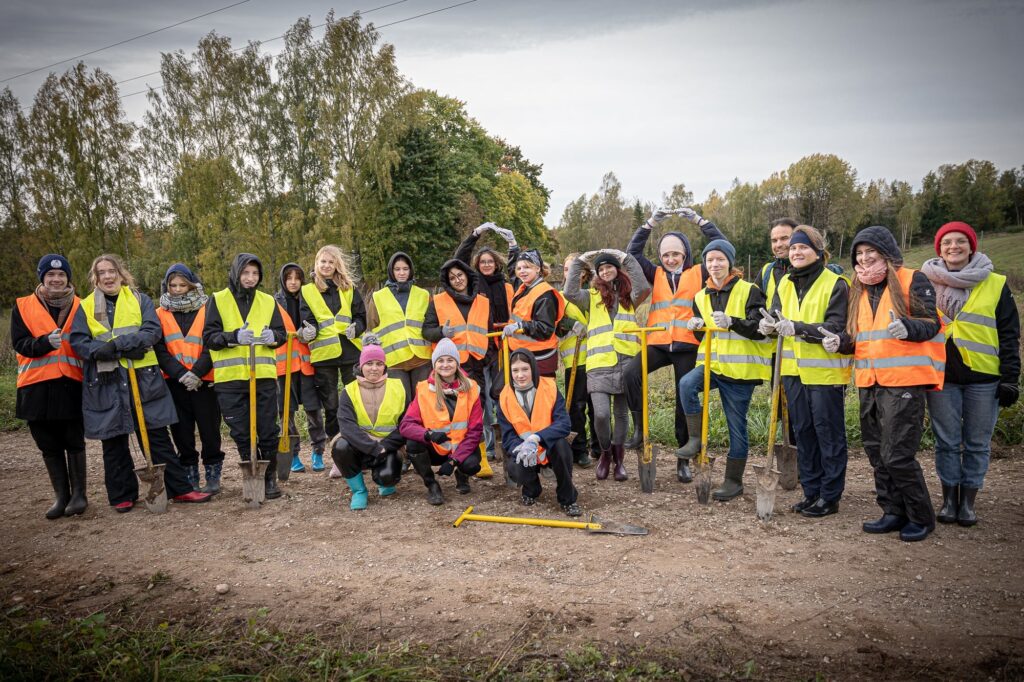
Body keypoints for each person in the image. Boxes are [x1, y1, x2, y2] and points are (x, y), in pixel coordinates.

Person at [69, 254, 211, 512]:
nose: (108, 276)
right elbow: (79, 342)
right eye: (102, 273)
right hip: (107, 382)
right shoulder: (86, 306)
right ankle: (122, 494)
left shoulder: (139, 300)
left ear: (121, 274)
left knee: (157, 436)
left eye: (112, 271)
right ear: (95, 278)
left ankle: (179, 488)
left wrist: (118, 345)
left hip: (143, 379)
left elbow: (151, 331)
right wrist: (111, 350)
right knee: (113, 440)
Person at [835, 226, 944, 542]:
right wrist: (840, 342)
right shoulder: (858, 288)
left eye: (871, 251)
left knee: (897, 454)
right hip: (869, 381)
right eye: (859, 253)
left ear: (886, 253)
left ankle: (920, 517)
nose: (864, 258)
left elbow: (931, 324)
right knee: (876, 453)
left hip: (904, 382)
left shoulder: (913, 279)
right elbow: (860, 338)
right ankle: (893, 511)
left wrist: (908, 327)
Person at [921, 221, 1020, 526]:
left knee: (977, 443)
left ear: (971, 246)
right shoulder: (925, 281)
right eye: (947, 242)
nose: (954, 247)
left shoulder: (995, 283)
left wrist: (1010, 378)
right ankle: (949, 500)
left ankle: (968, 502)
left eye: (960, 241)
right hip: (942, 376)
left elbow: (1009, 333)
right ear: (939, 249)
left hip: (984, 377)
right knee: (946, 441)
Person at [624, 207, 726, 483]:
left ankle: (683, 459)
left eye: (676, 254)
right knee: (630, 374)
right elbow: (632, 254)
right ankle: (639, 429)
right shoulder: (654, 273)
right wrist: (649, 224)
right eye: (666, 255)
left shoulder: (699, 272)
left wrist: (700, 221)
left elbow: (721, 246)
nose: (670, 259)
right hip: (658, 342)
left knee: (684, 398)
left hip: (687, 344)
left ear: (685, 254)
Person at [762, 226, 851, 518]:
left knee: (828, 434)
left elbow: (836, 326)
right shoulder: (785, 283)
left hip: (825, 373)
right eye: (793, 248)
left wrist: (798, 328)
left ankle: (830, 496)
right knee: (803, 433)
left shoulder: (836, 284)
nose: (796, 252)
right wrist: (767, 325)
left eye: (803, 247)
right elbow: (775, 314)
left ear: (818, 251)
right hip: (792, 370)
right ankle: (811, 492)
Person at [677, 240, 771, 500]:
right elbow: (704, 337)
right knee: (686, 384)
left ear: (730, 262)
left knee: (736, 427)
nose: (715, 264)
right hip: (712, 365)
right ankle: (695, 438)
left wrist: (733, 322)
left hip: (741, 372)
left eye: (720, 259)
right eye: (710, 260)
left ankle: (733, 481)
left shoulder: (749, 290)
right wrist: (697, 327)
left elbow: (761, 329)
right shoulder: (700, 296)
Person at [203, 253, 287, 500]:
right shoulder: (218, 299)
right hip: (230, 379)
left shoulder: (268, 301)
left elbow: (281, 333)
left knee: (268, 430)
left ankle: (269, 476)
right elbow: (209, 337)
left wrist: (274, 338)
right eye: (245, 273)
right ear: (236, 273)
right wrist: (232, 337)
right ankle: (251, 472)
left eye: (255, 273)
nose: (250, 278)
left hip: (262, 377)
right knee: (241, 432)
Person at [11, 254, 88, 518]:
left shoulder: (81, 306)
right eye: (51, 275)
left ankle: (79, 495)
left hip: (70, 384)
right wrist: (43, 343)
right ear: (42, 277)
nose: (56, 279)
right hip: (35, 387)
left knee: (74, 441)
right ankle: (61, 496)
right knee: (48, 444)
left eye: (61, 275)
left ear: (68, 278)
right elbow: (19, 343)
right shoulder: (23, 306)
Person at [563, 249, 650, 481]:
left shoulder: (630, 295)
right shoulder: (590, 297)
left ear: (617, 269)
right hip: (599, 364)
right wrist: (580, 261)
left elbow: (644, 285)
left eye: (609, 266)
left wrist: (626, 258)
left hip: (625, 361)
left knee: (620, 414)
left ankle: (619, 460)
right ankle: (605, 454)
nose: (605, 271)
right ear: (597, 273)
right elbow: (569, 291)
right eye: (601, 268)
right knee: (601, 414)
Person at [154, 263, 226, 494]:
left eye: (182, 285)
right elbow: (159, 349)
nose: (177, 289)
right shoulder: (159, 313)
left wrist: (196, 373)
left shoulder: (208, 308)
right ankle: (190, 475)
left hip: (204, 381)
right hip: (175, 383)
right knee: (182, 432)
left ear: (191, 285)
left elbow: (211, 344)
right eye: (172, 285)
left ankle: (213, 474)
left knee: (210, 431)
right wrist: (180, 374)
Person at [453, 223, 519, 469]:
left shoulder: (507, 286)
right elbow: (458, 260)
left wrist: (513, 245)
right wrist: (475, 235)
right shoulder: (473, 284)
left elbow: (518, 270)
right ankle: (487, 447)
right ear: (477, 265)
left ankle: (507, 441)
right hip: (480, 349)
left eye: (490, 261)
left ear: (497, 264)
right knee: (483, 398)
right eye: (483, 262)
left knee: (502, 395)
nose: (487, 265)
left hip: (504, 347)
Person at [299, 245, 366, 471]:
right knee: (332, 406)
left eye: (331, 262)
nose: (326, 266)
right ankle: (339, 454)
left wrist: (357, 327)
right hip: (324, 355)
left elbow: (360, 316)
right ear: (316, 264)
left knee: (356, 401)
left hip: (350, 350)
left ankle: (360, 448)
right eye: (323, 262)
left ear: (337, 265)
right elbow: (307, 319)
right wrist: (308, 331)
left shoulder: (349, 288)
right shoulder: (307, 291)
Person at [497, 349, 582, 516]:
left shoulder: (550, 387)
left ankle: (568, 499)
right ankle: (531, 489)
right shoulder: (504, 396)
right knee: (514, 464)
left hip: (548, 448)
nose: (520, 375)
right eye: (515, 370)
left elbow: (564, 424)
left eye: (525, 369)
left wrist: (536, 438)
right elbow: (507, 436)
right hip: (525, 450)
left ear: (533, 369)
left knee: (561, 446)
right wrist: (521, 448)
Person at [399, 338, 483, 505]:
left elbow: (475, 432)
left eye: (450, 360)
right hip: (436, 448)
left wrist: (454, 460)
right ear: (434, 364)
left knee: (472, 465)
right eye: (440, 360)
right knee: (413, 443)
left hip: (461, 448)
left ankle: (462, 474)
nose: (445, 365)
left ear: (457, 363)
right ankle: (432, 485)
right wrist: (428, 435)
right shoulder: (424, 389)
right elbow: (406, 426)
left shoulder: (472, 388)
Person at [331, 343, 407, 510]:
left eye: (379, 364)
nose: (374, 368)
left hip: (388, 446)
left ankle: (384, 481)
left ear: (384, 366)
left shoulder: (398, 387)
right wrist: (374, 448)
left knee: (387, 478)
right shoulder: (349, 391)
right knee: (340, 447)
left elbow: (406, 424)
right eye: (369, 363)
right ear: (361, 366)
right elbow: (347, 427)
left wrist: (385, 446)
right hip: (360, 446)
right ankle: (359, 491)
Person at [273, 263, 328, 475]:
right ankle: (293, 453)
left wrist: (313, 332)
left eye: (297, 278)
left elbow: (321, 322)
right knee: (286, 412)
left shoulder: (311, 298)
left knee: (314, 410)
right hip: (285, 366)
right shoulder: (275, 302)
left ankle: (318, 451)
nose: (293, 282)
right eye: (289, 278)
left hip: (307, 363)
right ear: (283, 280)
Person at [365, 252, 432, 401]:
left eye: (405, 269)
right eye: (397, 269)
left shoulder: (423, 295)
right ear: (391, 271)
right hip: (394, 361)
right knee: (401, 403)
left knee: (424, 402)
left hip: (421, 358)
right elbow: (371, 328)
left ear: (411, 271)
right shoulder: (378, 297)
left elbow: (431, 323)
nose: (401, 273)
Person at [557, 254, 597, 468]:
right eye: (566, 269)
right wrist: (570, 323)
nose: (570, 273)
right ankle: (579, 449)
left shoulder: (595, 295)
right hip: (574, 360)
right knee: (577, 407)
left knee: (597, 406)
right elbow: (554, 321)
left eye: (575, 269)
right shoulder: (559, 297)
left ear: (584, 273)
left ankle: (599, 447)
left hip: (598, 358)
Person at [504, 249, 565, 377]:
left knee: (543, 389)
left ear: (537, 269)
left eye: (527, 267)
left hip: (539, 356)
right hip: (523, 353)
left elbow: (545, 328)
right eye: (519, 268)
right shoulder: (524, 288)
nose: (522, 271)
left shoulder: (545, 294)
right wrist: (513, 247)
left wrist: (520, 326)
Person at [757, 218, 797, 304]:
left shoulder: (812, 271)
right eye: (774, 240)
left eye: (784, 238)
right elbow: (755, 306)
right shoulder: (766, 271)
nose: (778, 245)